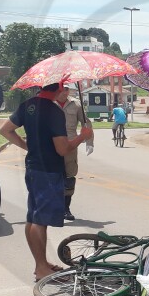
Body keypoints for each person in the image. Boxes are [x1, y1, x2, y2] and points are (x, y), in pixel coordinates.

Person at [0, 83, 93, 281]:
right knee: (40, 221)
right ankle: (42, 268)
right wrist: (81, 137)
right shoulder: (54, 111)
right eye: (63, 87)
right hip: (48, 171)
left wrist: (28, 146)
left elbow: (5, 130)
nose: (65, 91)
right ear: (58, 89)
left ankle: (40, 264)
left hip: (33, 167)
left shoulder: (28, 105)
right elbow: (62, 149)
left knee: (33, 218)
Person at [57, 87, 90, 221]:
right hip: (52, 146)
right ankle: (55, 207)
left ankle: (66, 208)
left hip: (71, 145)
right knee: (53, 177)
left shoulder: (76, 104)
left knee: (69, 177)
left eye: (66, 89)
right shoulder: (49, 104)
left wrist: (89, 141)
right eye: (61, 89)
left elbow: (86, 123)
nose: (64, 92)